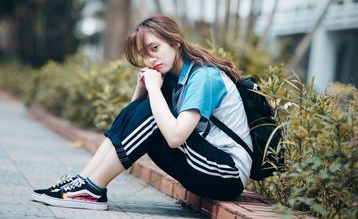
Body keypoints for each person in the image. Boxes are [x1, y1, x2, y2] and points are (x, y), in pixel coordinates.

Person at [30, 15, 253, 211]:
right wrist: (142, 91)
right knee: (145, 108)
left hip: (227, 174)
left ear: (175, 42)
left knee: (153, 113)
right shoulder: (173, 77)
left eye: (155, 48)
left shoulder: (203, 76)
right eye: (144, 54)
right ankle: (83, 181)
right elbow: (131, 120)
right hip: (205, 164)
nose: (150, 60)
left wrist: (154, 89)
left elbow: (175, 138)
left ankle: (92, 189)